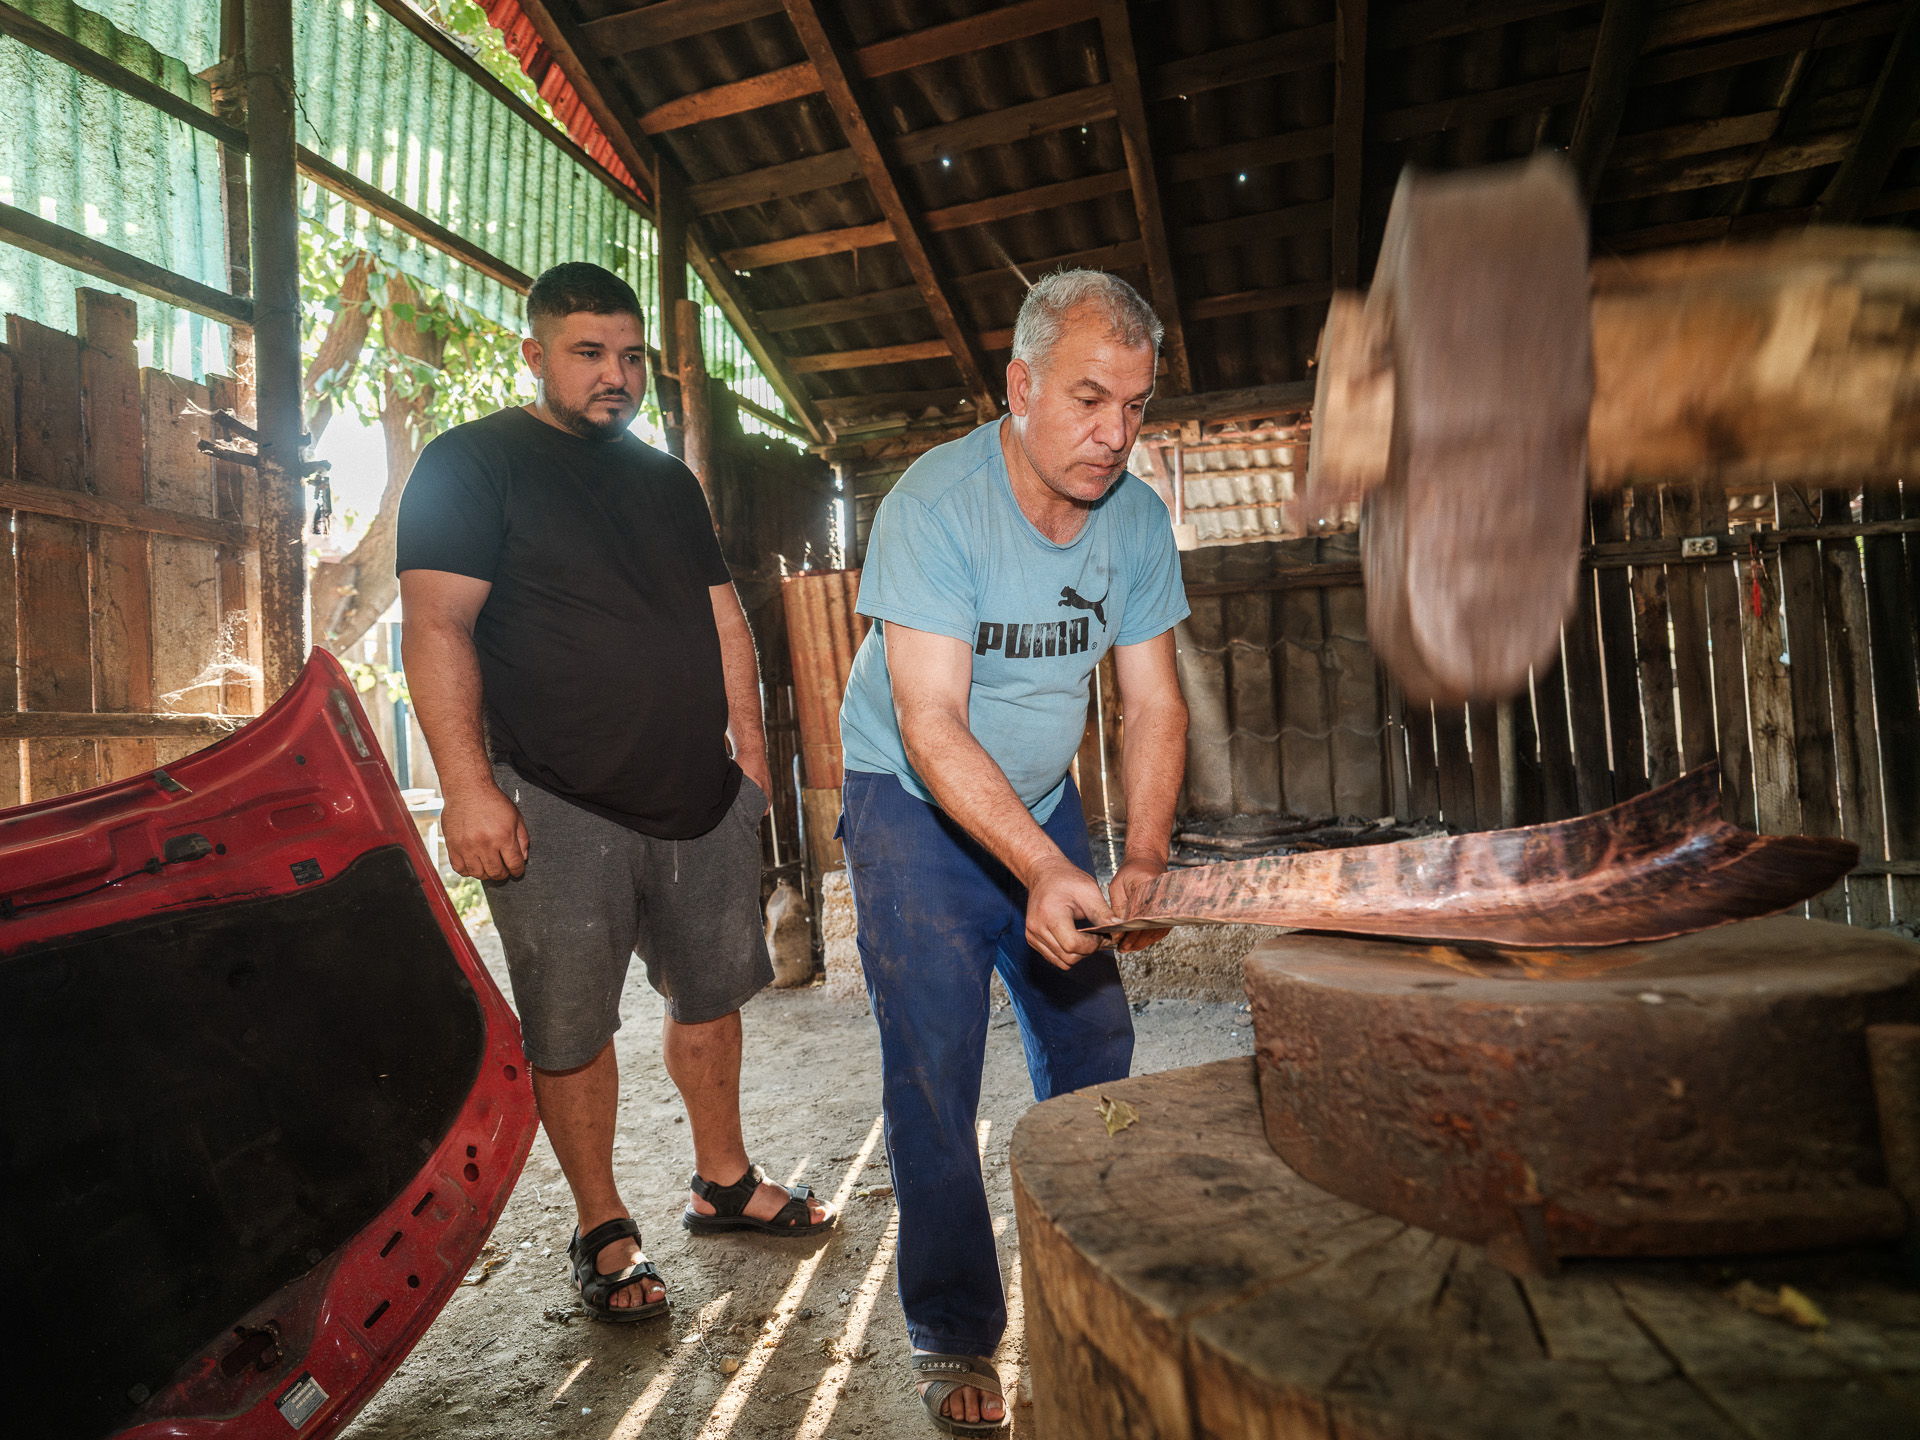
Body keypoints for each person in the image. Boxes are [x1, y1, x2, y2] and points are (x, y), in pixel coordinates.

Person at [396, 261, 833, 1324]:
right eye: (589, 353)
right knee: (571, 1028)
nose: (615, 376)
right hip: (554, 798)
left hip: (697, 792)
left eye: (629, 356)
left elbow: (725, 619)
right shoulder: (470, 465)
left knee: (713, 995)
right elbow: (437, 628)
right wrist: (466, 788)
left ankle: (722, 1181)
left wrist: (753, 772)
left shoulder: (665, 482)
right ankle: (603, 1225)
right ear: (534, 352)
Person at [836, 269, 1190, 1433]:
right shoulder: (934, 506)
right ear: (1022, 385)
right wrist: (1038, 867)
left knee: (1095, 1041)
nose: (1115, 433)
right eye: (1091, 399)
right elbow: (932, 723)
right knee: (935, 1070)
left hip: (1045, 795)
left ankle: (1093, 1287)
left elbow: (1153, 702)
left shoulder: (1132, 519)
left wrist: (1139, 856)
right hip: (910, 806)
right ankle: (952, 1329)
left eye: (1136, 406)